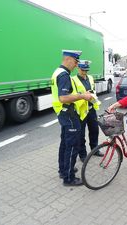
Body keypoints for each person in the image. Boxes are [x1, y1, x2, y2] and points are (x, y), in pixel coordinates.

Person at [51, 50, 93, 186]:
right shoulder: (64, 75)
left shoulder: (57, 72)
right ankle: (69, 178)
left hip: (62, 113)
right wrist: (82, 96)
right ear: (68, 59)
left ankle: (63, 170)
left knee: (64, 143)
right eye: (75, 62)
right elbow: (63, 98)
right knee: (72, 146)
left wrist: (80, 93)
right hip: (68, 114)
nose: (76, 65)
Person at [73, 60, 104, 162]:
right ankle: (82, 154)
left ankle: (95, 150)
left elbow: (93, 90)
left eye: (86, 70)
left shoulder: (90, 78)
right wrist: (83, 95)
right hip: (80, 111)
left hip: (91, 109)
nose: (85, 72)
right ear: (78, 68)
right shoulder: (73, 80)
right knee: (80, 134)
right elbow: (73, 96)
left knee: (94, 130)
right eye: (83, 70)